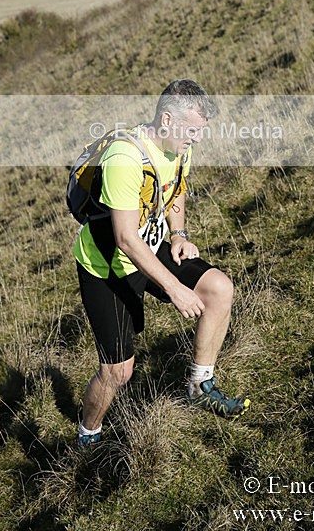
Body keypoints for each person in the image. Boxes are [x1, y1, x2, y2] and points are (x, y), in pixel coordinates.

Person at [73, 78, 250, 448]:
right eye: (192, 131)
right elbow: (125, 238)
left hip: (150, 247)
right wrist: (175, 288)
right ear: (167, 120)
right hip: (109, 267)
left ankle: (199, 387)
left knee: (219, 289)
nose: (197, 139)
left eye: (201, 131)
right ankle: (89, 434)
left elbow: (175, 190)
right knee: (118, 372)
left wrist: (179, 234)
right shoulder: (125, 158)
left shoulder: (179, 146)